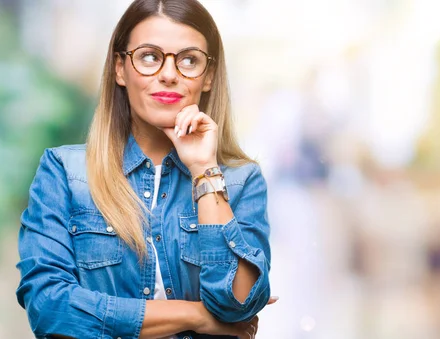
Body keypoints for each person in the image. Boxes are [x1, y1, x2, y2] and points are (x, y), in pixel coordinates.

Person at [15, 1, 275, 338]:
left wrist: (204, 170)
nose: (169, 74)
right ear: (121, 68)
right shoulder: (65, 172)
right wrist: (194, 315)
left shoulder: (241, 181)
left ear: (208, 76)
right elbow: (50, 308)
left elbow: (236, 305)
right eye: (150, 56)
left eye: (188, 60)